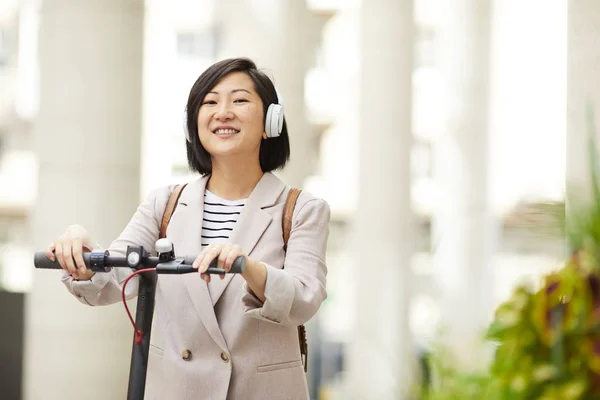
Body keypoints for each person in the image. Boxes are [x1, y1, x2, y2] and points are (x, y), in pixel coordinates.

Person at [45, 57, 331, 400]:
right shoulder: (163, 204)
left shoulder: (301, 210)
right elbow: (110, 283)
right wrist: (80, 251)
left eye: (239, 100)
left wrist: (250, 269)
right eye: (210, 102)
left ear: (272, 120)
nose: (223, 112)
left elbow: (304, 298)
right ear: (192, 124)